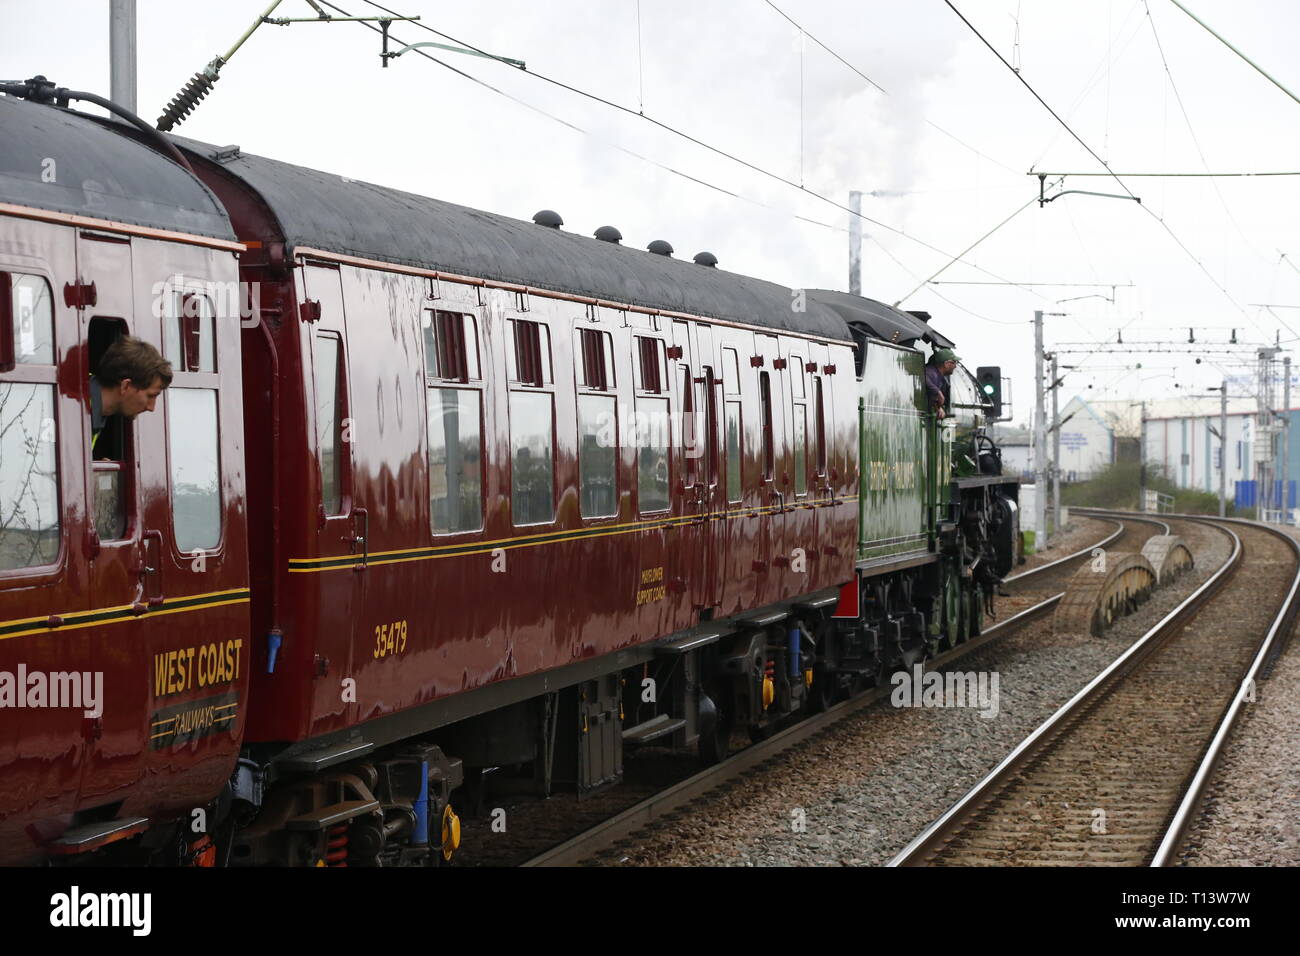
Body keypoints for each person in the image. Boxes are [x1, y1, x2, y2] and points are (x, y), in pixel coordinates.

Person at [90, 335, 173, 460]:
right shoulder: (73, 406)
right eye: (151, 395)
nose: (151, 407)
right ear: (126, 386)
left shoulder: (94, 407)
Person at [925, 347, 959, 419]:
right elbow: (922, 377)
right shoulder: (931, 372)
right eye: (954, 362)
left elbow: (929, 396)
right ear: (946, 364)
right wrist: (937, 392)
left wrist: (938, 408)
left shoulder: (940, 378)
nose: (955, 366)